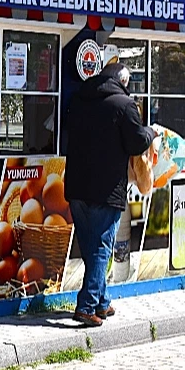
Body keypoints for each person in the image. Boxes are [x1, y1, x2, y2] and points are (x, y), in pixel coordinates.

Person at [62, 50, 155, 327]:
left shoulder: (79, 99)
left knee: (91, 246)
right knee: (102, 247)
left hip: (77, 187)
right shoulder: (124, 105)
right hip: (106, 189)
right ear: (122, 82)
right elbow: (137, 142)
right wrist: (151, 132)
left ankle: (101, 302)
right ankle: (87, 305)